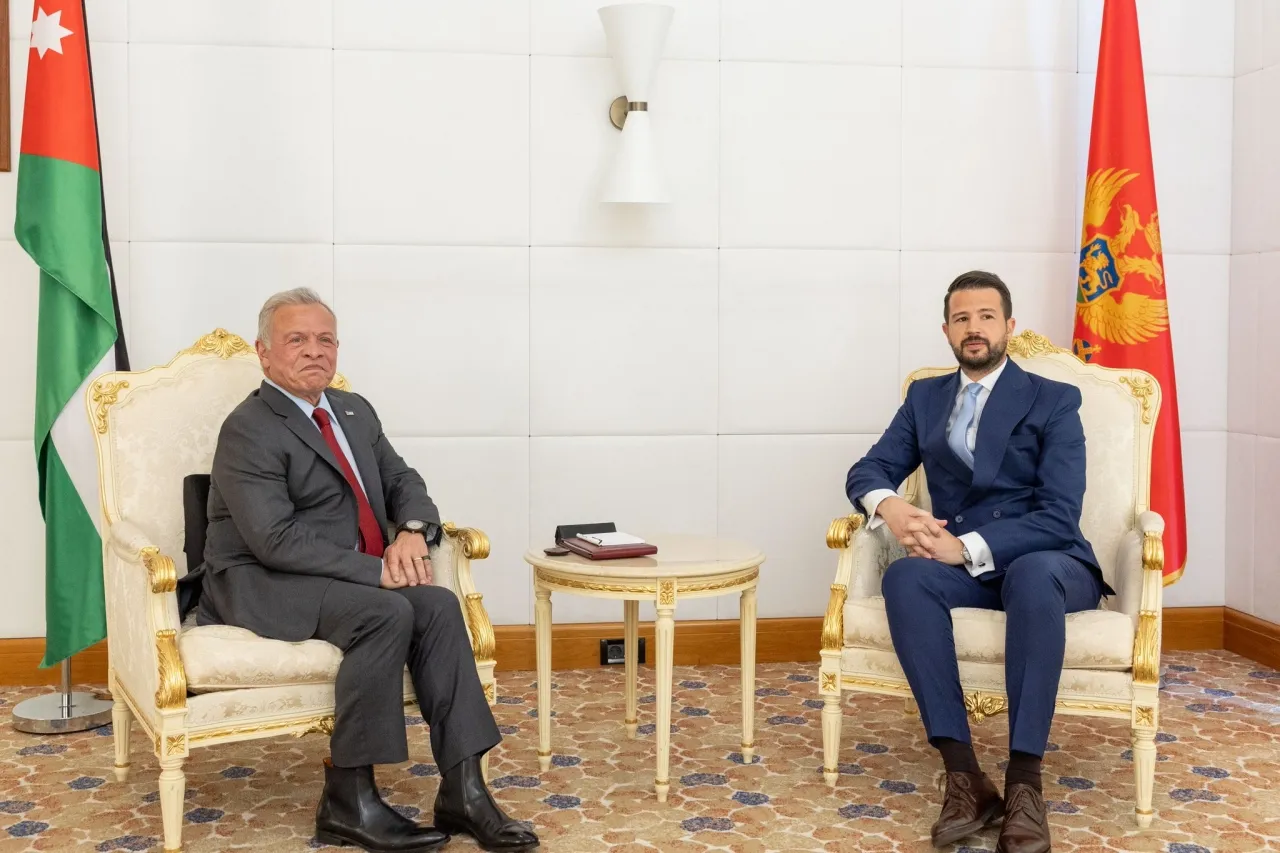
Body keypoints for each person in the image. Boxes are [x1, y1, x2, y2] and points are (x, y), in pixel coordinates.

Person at [192, 287, 539, 853]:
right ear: (264, 352)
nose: (314, 350)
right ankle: (348, 802)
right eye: (296, 339)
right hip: (261, 580)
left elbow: (403, 481)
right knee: (385, 612)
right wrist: (375, 570)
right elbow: (274, 540)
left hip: (338, 575)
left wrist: (412, 531)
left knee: (437, 604)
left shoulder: (354, 411)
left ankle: (464, 791)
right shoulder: (250, 427)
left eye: (325, 339)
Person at [845, 271, 1112, 853]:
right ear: (946, 330)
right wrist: (892, 506)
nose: (974, 328)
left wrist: (964, 547)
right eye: (962, 318)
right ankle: (966, 778)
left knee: (1032, 574)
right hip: (968, 572)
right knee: (906, 576)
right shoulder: (925, 398)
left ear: (1009, 326)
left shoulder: (1054, 399)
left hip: (1051, 564)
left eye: (986, 316)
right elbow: (867, 470)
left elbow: (1059, 515)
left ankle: (1025, 785)